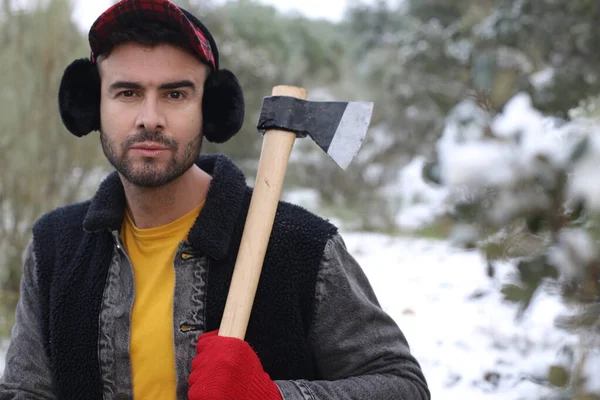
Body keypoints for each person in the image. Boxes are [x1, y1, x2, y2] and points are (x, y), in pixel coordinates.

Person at [0, 0, 430, 399]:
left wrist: (274, 396)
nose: (150, 117)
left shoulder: (302, 247)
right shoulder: (55, 246)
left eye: (175, 94)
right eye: (127, 92)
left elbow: (403, 385)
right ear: (90, 106)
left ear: (214, 108)